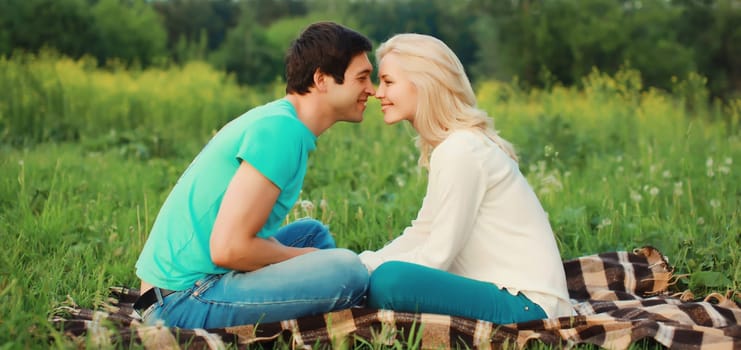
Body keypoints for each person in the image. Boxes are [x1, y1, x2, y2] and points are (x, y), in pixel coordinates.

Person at [133, 22, 376, 329]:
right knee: (349, 272)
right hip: (182, 301)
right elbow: (229, 249)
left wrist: (306, 254)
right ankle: (332, 306)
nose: (372, 89)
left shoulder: (282, 120)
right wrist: (308, 258)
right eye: (362, 78)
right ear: (322, 79)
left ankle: (324, 303)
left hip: (188, 283)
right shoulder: (282, 132)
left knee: (311, 233)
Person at [359, 33, 573, 324]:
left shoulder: (461, 149)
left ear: (424, 83)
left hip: (528, 306)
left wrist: (368, 272)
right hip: (504, 293)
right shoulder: (455, 146)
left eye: (388, 81)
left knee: (390, 282)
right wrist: (361, 264)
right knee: (385, 276)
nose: (378, 93)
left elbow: (437, 257)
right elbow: (422, 231)